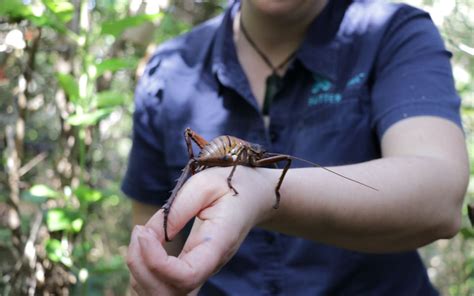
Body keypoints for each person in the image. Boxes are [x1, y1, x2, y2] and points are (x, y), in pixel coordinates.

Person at [123, 0, 469, 294]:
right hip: (221, 154)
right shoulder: (169, 69)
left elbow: (441, 197)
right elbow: (154, 239)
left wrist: (263, 194)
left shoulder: (393, 32)